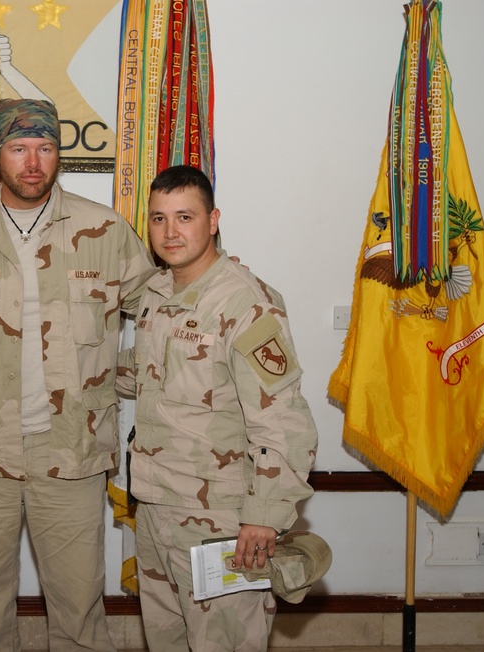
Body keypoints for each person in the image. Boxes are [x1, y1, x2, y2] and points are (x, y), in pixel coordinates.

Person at [0, 98, 157, 651]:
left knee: (80, 613)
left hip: (70, 453)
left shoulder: (105, 230)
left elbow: (163, 312)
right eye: (19, 149)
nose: (33, 162)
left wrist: (122, 376)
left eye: (45, 148)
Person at [117, 165, 318, 651]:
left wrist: (264, 517)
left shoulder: (245, 303)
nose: (171, 231)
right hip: (157, 508)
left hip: (222, 521)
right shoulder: (156, 295)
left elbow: (284, 421)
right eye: (159, 218)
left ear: (213, 220)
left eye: (185, 216)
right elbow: (142, 374)